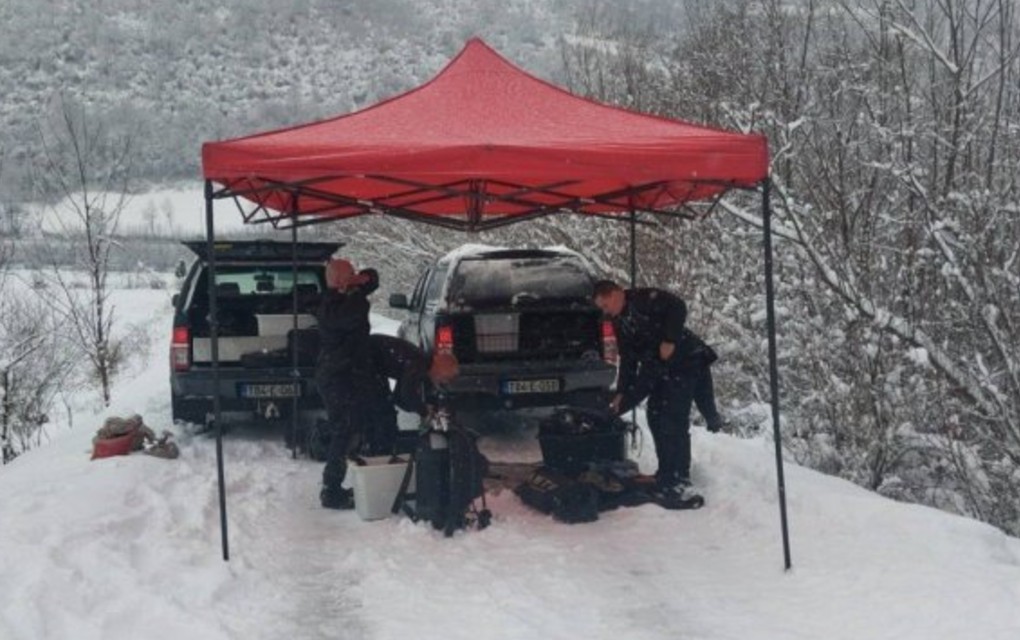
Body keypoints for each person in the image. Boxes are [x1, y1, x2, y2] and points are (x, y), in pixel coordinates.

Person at [592, 279, 721, 494]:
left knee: (673, 418)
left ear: (615, 294)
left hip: (687, 360)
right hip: (662, 367)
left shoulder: (644, 299)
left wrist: (669, 340)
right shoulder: (618, 322)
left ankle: (679, 477)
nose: (605, 312)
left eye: (605, 305)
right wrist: (621, 394)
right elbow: (629, 361)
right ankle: (665, 472)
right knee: (655, 413)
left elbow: (678, 306)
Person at [315, 258, 379, 510]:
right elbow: (357, 309)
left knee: (353, 425)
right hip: (336, 377)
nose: (355, 276)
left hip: (350, 374)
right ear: (339, 281)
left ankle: (344, 472)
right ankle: (331, 488)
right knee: (343, 429)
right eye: (349, 273)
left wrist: (361, 278)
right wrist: (355, 288)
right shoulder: (332, 307)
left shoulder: (349, 294)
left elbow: (373, 278)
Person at [368, 334, 460, 422]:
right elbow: (408, 392)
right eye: (445, 378)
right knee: (378, 405)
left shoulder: (421, 363)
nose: (442, 381)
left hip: (372, 361)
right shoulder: (419, 363)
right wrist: (424, 411)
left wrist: (420, 408)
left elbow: (399, 397)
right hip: (367, 357)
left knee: (382, 404)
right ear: (441, 369)